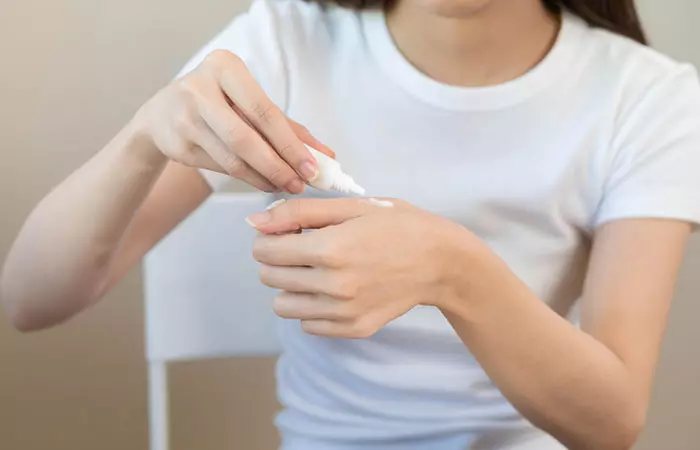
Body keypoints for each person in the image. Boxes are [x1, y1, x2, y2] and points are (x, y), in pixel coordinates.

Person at [2, 0, 700, 447]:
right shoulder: (284, 42)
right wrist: (140, 140)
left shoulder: (650, 99)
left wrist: (453, 270)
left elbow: (611, 422)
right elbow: (30, 300)